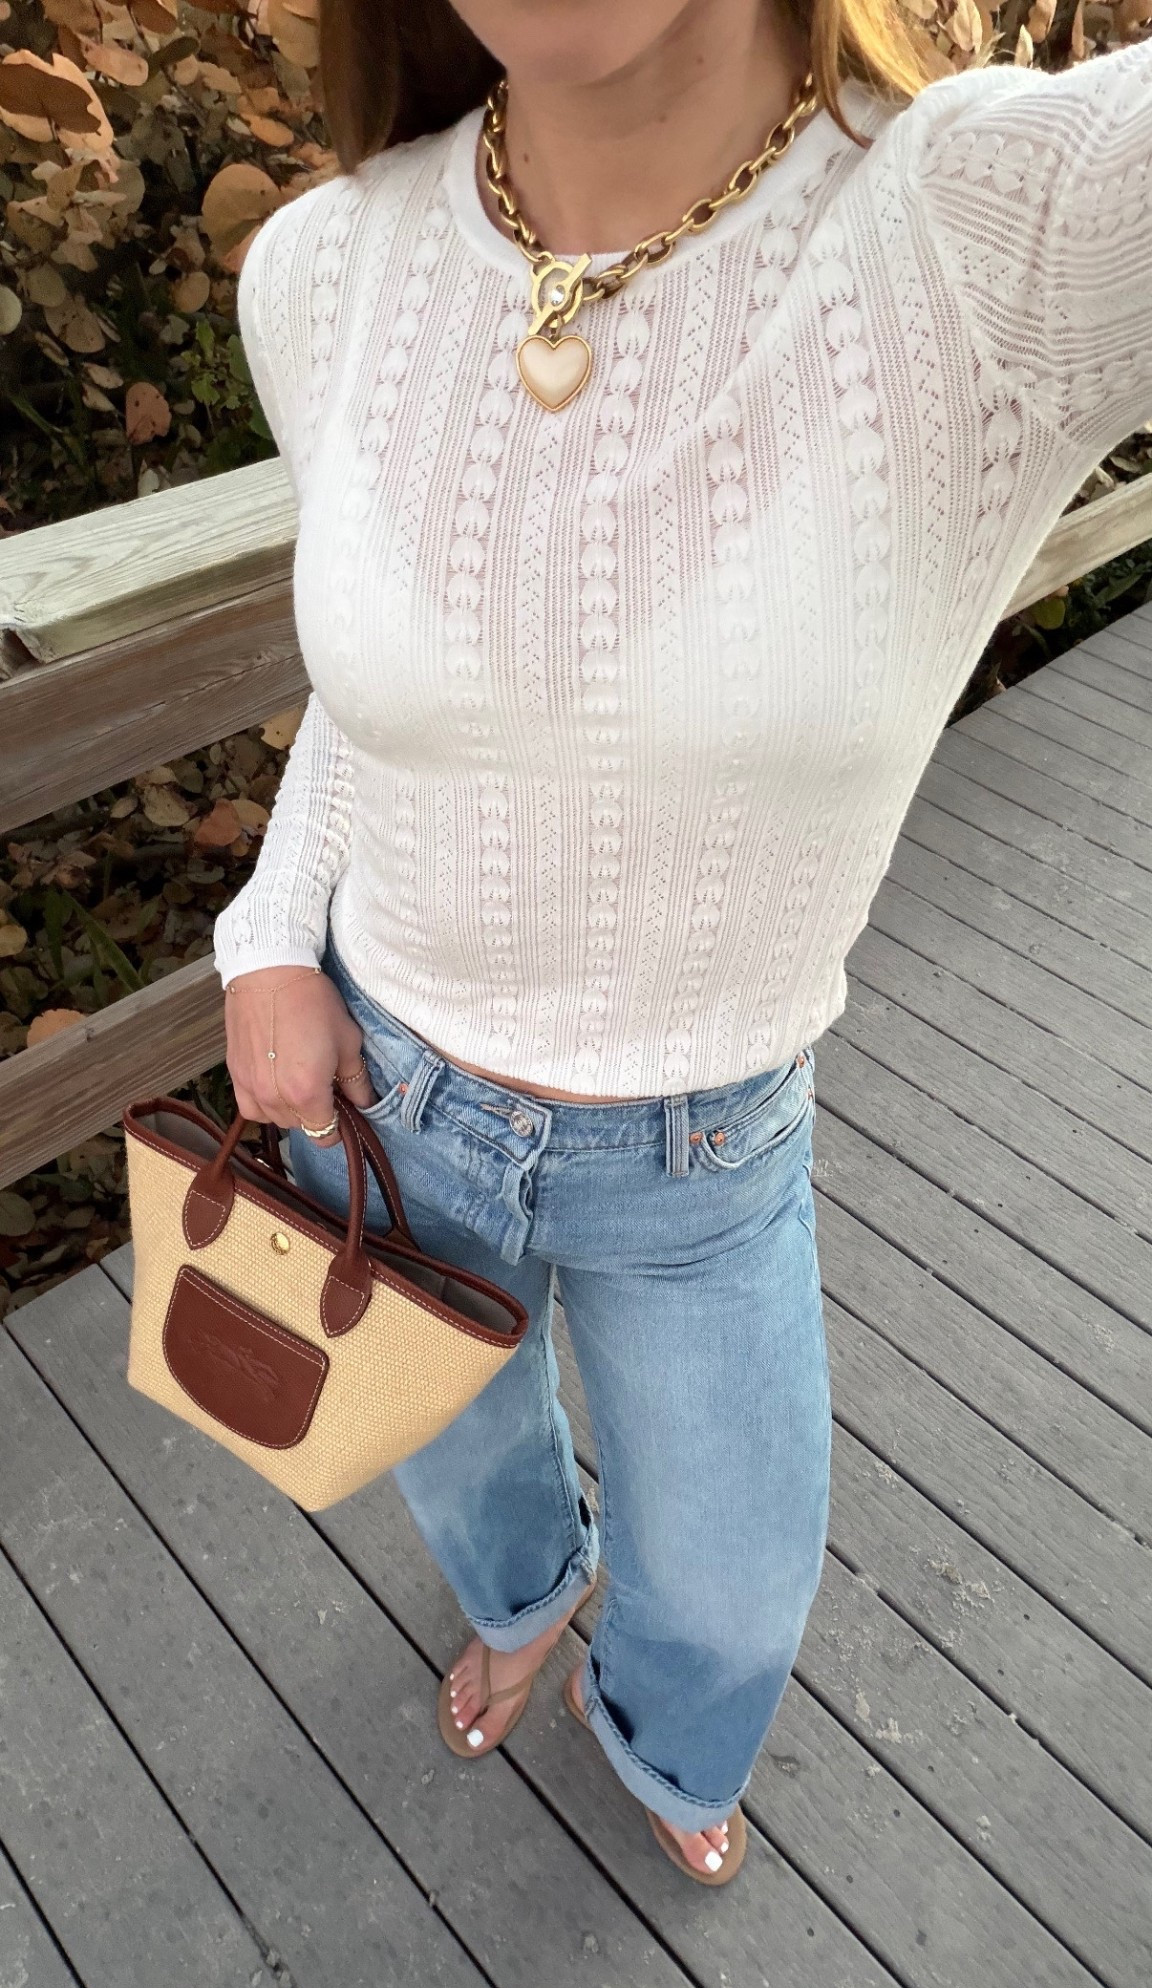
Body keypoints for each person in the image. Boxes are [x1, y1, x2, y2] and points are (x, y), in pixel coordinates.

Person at [218, 0, 1152, 1883]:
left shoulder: (989, 228)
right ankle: (529, 1595)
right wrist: (267, 939)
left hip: (704, 1151)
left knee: (730, 1580)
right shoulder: (324, 271)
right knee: (458, 1464)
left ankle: (662, 1736)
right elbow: (389, 690)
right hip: (383, 1089)